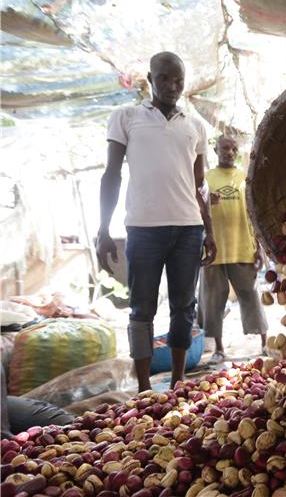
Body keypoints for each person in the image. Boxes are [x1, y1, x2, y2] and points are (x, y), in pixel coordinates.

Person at [96, 52, 216, 393]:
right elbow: (111, 175)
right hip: (143, 229)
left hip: (188, 229)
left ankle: (178, 381)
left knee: (184, 306)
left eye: (178, 80)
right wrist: (103, 229)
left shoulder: (195, 126)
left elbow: (200, 186)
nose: (172, 86)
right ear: (150, 78)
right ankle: (145, 388)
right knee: (142, 306)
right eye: (164, 78)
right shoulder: (126, 117)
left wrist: (209, 230)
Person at [198, 135, 268, 364]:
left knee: (251, 295)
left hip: (242, 247)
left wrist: (259, 247)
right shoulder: (205, 179)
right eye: (225, 148)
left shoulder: (244, 178)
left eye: (233, 148)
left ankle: (265, 343)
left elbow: (253, 214)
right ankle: (219, 348)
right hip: (214, 251)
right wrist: (208, 203)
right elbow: (194, 210)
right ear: (215, 149)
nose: (229, 152)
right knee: (213, 301)